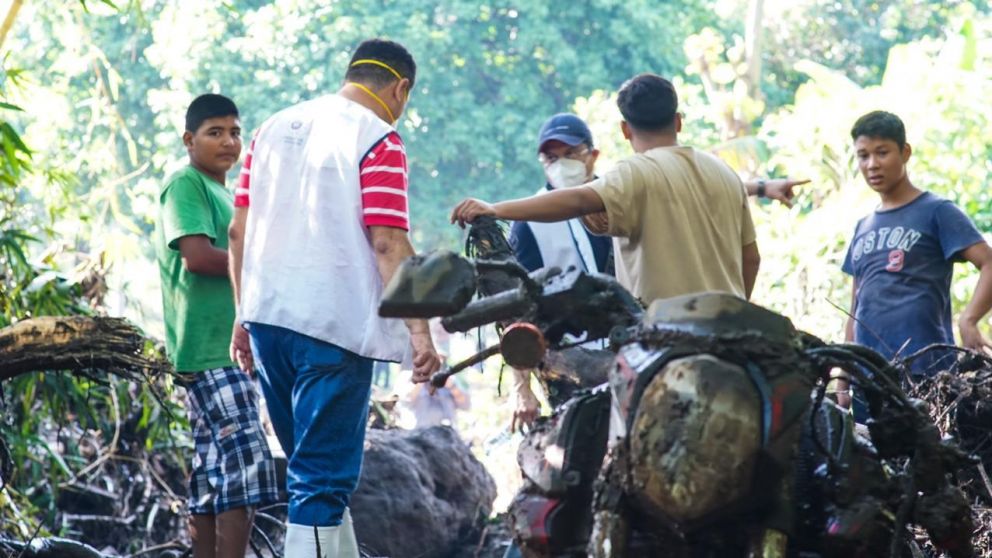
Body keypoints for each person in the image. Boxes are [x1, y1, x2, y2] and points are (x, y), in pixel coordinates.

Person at [227, 39, 442, 557]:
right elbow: (388, 240)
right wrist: (420, 331)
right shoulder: (379, 139)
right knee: (321, 482)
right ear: (401, 88)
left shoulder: (270, 128)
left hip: (268, 318)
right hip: (332, 327)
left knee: (309, 472)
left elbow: (238, 231)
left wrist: (242, 317)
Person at [506, 111, 807, 429]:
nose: (561, 164)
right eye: (551, 157)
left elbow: (683, 190)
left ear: (592, 155)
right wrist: (521, 387)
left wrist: (760, 187)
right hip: (572, 364)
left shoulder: (621, 193)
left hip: (638, 347)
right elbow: (519, 309)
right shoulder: (528, 224)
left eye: (570, 154)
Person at [452, 72, 761, 308]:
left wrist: (495, 209)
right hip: (731, 330)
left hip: (665, 337)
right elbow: (752, 259)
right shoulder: (725, 174)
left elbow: (577, 200)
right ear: (678, 122)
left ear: (625, 129)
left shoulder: (634, 174)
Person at [153, 93, 280, 558]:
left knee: (211, 469)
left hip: (225, 348)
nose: (229, 142)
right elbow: (199, 258)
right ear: (189, 140)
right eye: (214, 132)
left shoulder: (227, 193)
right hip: (210, 348)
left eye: (234, 132)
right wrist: (266, 268)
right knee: (246, 463)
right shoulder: (186, 184)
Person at [840, 110, 992, 383]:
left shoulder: (937, 211)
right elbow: (856, 307)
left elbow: (988, 262)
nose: (872, 164)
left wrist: (969, 319)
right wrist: (844, 375)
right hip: (869, 375)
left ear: (905, 152)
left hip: (926, 368)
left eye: (882, 152)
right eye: (863, 155)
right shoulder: (862, 227)